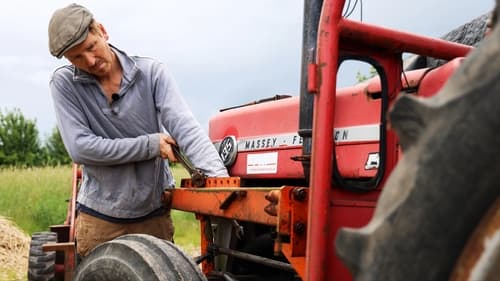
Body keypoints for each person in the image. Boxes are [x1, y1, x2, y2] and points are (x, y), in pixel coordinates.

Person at [48, 3, 228, 257]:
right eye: (77, 57)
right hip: (100, 221)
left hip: (152, 217)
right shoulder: (64, 84)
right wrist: (151, 145)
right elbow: (81, 148)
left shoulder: (151, 73)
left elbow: (186, 130)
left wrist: (223, 183)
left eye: (90, 47)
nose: (89, 61)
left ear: (102, 31)